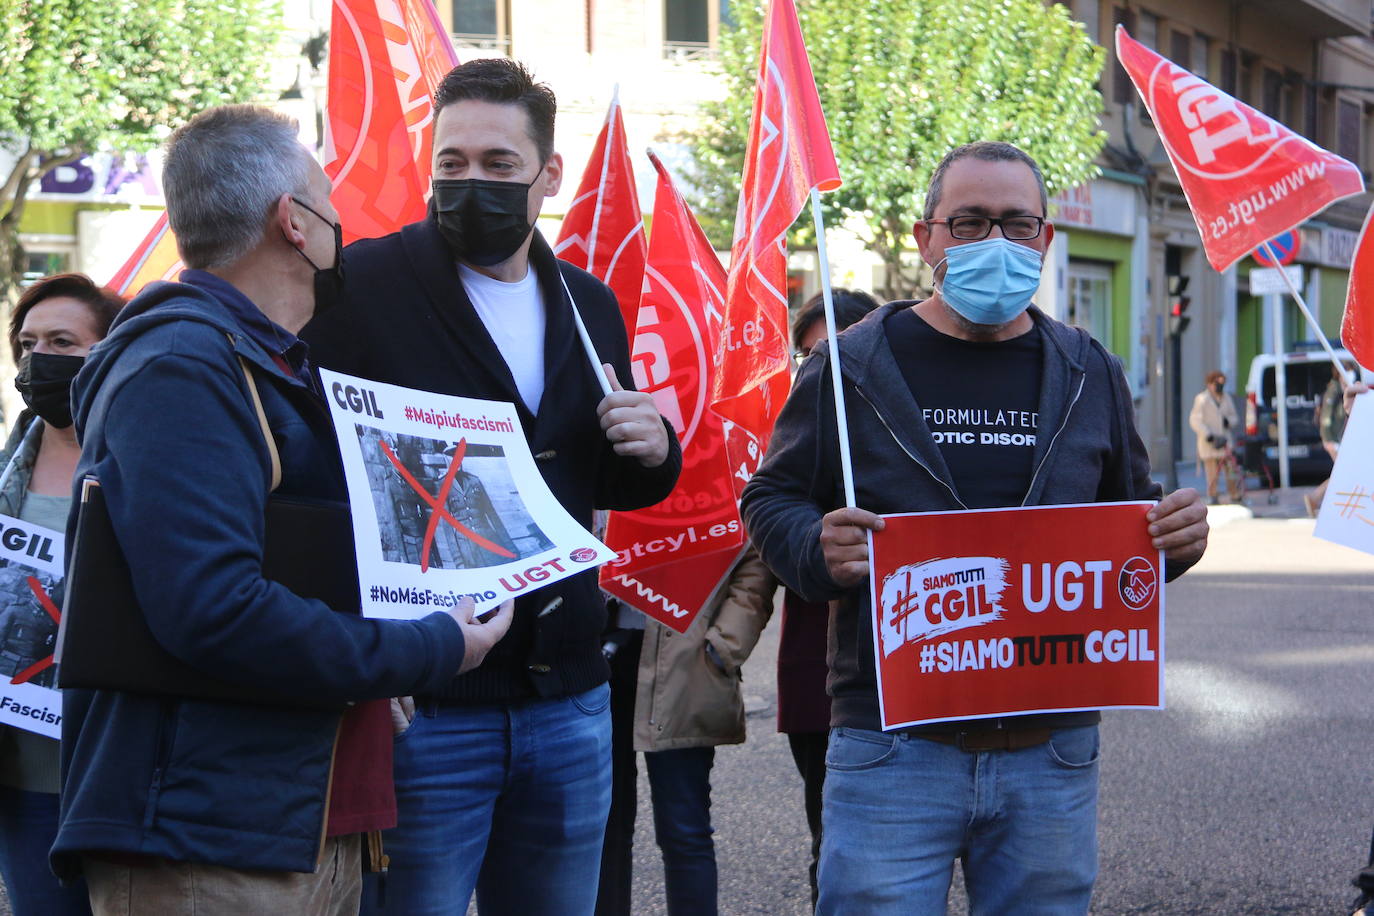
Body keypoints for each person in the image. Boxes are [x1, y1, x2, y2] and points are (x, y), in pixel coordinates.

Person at [52, 105, 513, 916]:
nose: (344, 227)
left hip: (284, 819)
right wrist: (427, 646)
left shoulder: (252, 362)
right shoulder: (181, 367)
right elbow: (213, 609)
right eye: (330, 205)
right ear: (294, 224)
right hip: (208, 837)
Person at [740, 141, 1209, 915]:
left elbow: (1131, 528)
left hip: (1050, 750)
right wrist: (813, 546)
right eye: (969, 222)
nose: (996, 242)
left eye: (1017, 224)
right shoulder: (850, 366)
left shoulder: (1090, 369)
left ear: (1046, 240)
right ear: (928, 239)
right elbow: (771, 496)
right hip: (893, 745)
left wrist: (1176, 543)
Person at [301, 58, 682, 916]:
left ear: (548, 174)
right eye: (454, 162)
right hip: (427, 703)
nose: (473, 183)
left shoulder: (589, 305)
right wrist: (369, 647)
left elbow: (606, 476)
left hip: (570, 702)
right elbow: (318, 477)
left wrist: (655, 449)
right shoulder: (361, 288)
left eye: (499, 165)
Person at [0, 273, 121, 916]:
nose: (37, 359)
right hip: (23, 778)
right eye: (26, 343)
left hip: (115, 772)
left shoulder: (144, 464)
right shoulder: (4, 475)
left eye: (62, 342)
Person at [595, 551, 777, 916]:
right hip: (600, 656)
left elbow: (754, 557)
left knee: (684, 827)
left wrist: (724, 644)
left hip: (686, 658)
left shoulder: (714, 492)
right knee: (603, 830)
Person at [777, 288, 879, 911]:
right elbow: (764, 529)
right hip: (818, 671)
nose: (828, 368)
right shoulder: (796, 439)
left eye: (842, 351)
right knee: (836, 843)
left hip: (918, 666)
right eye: (812, 354)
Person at [1306, 362, 1357, 516]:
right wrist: (1330, 441)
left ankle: (1317, 499)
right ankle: (1315, 498)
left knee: (1342, 472)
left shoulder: (1342, 389)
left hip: (1337, 439)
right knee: (1343, 472)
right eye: (1348, 370)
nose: (1351, 374)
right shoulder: (1334, 389)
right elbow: (1326, 418)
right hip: (1333, 439)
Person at [1189, 370, 1242, 505]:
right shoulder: (1202, 399)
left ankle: (1234, 493)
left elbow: (1234, 417)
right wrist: (1208, 435)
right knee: (1212, 472)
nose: (1218, 387)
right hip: (1210, 442)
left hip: (1225, 441)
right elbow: (1195, 420)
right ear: (1209, 384)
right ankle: (1213, 494)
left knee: (1230, 468)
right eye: (1216, 383)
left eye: (1221, 384)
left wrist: (1228, 421)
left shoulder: (1226, 398)